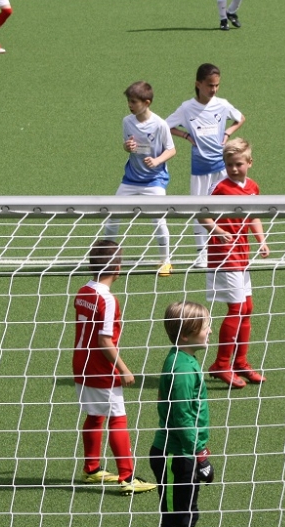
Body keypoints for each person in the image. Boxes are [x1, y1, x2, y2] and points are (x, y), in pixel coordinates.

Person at [141, 301, 228, 527]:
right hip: (174, 456)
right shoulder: (181, 369)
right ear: (188, 334)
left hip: (181, 453)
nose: (210, 330)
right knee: (175, 523)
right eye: (205, 326)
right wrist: (200, 455)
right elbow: (181, 417)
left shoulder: (185, 361)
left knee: (185, 519)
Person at [73, 240, 156, 495]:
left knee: (95, 414)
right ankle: (127, 478)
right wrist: (124, 369)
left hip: (81, 363)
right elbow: (105, 341)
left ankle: (91, 469)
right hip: (101, 367)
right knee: (117, 417)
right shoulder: (107, 300)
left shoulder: (83, 291)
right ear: (117, 268)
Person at [198, 138, 268, 389]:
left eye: (238, 164)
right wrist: (218, 230)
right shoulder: (220, 188)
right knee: (237, 308)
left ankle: (240, 362)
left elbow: (254, 216)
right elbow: (202, 213)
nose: (234, 169)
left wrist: (261, 241)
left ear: (249, 163)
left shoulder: (252, 187)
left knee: (247, 308)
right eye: (229, 165)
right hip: (224, 255)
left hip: (242, 254)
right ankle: (221, 364)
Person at [166, 64, 245, 267]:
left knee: (227, 207)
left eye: (217, 85)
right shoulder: (187, 108)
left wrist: (227, 133)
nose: (214, 89)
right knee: (200, 210)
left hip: (221, 167)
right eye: (210, 85)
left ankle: (229, 247)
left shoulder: (222, 105)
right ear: (198, 84)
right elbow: (166, 125)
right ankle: (202, 253)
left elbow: (240, 118)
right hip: (200, 169)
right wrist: (185, 135)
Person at [103, 81, 177, 276]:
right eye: (129, 101)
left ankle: (166, 261)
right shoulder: (127, 121)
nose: (130, 105)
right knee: (112, 217)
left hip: (154, 181)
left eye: (133, 102)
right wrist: (127, 147)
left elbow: (171, 150)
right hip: (130, 180)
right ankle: (106, 259)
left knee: (159, 221)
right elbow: (127, 145)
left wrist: (157, 160)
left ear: (146, 102)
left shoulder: (160, 125)